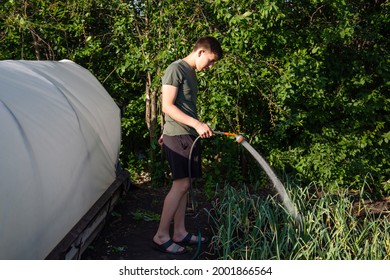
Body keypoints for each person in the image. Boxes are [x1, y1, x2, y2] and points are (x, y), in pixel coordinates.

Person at [152, 36, 223, 254]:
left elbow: (180, 106)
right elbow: (167, 106)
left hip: (186, 135)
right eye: (210, 61)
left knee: (186, 184)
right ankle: (161, 235)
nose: (210, 67)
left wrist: (182, 129)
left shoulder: (190, 73)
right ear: (200, 52)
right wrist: (196, 124)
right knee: (180, 185)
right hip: (180, 135)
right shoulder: (176, 69)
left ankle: (179, 232)